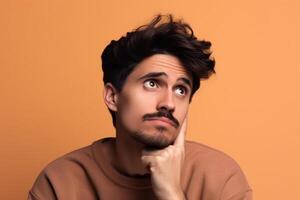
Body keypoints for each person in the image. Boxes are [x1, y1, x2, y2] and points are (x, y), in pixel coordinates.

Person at [28, 14, 252, 200]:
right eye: (152, 83)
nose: (169, 103)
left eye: (180, 90)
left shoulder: (220, 178)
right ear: (113, 97)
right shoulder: (60, 182)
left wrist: (171, 192)